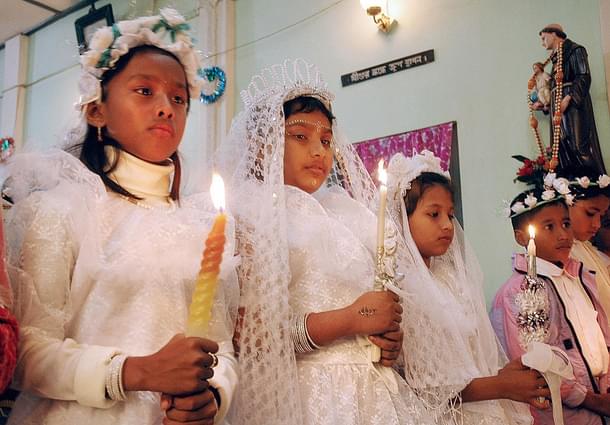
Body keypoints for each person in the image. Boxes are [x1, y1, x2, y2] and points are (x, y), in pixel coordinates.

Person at [3, 9, 238, 424]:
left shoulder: (204, 222)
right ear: (98, 111)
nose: (166, 107)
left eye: (179, 97)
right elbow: (27, 353)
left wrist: (214, 396)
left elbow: (220, 343)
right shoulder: (60, 209)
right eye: (145, 91)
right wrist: (135, 371)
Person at [217, 59, 433, 425]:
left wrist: (387, 338)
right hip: (309, 393)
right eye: (300, 136)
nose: (319, 151)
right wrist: (352, 319)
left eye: (326, 140)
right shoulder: (251, 215)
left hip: (372, 390)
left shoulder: (347, 213)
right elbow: (253, 338)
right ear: (264, 143)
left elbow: (374, 304)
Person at [386, 150, 535, 425]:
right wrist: (501, 386)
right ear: (401, 219)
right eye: (433, 214)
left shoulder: (450, 280)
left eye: (450, 214)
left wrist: (502, 375)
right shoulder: (402, 286)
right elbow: (426, 388)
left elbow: (469, 360)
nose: (447, 225)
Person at [491, 175, 610, 424]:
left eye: (566, 224)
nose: (563, 234)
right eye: (549, 227)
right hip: (562, 413)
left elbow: (602, 334)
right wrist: (590, 399)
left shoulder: (581, 275)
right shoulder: (520, 291)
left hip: (599, 402)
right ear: (522, 237)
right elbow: (538, 363)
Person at [536, 24, 606, 174]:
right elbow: (554, 86)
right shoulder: (555, 61)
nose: (542, 43)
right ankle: (572, 185)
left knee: (577, 143)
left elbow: (584, 76)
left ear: (554, 34)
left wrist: (569, 98)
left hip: (573, 105)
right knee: (561, 146)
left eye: (543, 38)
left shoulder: (575, 50)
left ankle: (593, 183)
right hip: (557, 104)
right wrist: (545, 105)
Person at [559, 167, 610, 328]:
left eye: (601, 216)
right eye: (590, 213)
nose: (597, 224)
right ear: (566, 204)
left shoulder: (586, 248)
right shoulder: (563, 253)